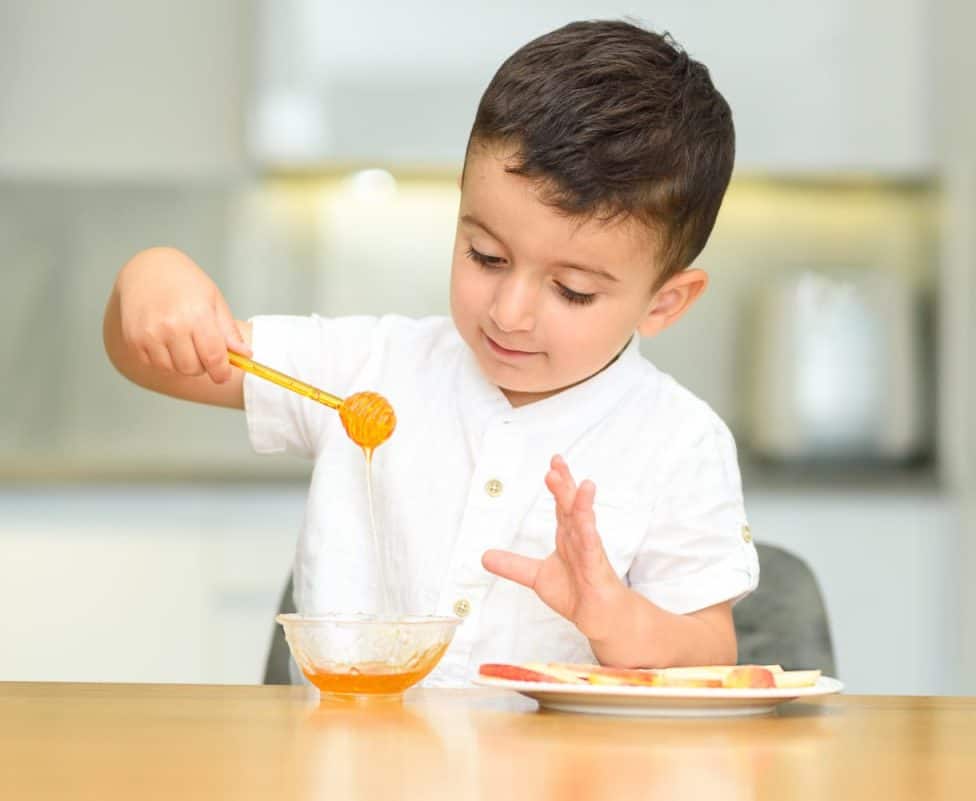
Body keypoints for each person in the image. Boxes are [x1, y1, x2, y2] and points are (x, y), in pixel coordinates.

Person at [102, 19, 759, 686]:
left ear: (664, 303)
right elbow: (145, 356)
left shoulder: (680, 441)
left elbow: (713, 650)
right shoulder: (369, 368)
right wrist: (151, 277)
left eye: (571, 289)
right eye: (485, 255)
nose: (509, 312)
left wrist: (615, 617)